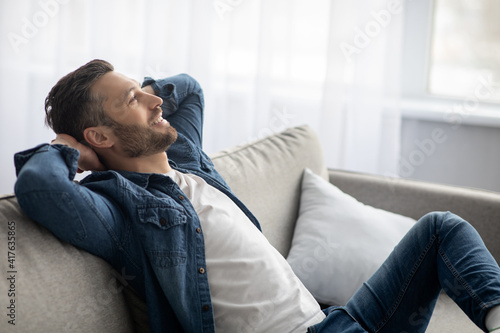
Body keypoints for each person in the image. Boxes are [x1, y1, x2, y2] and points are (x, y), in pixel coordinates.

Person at [14, 59, 500, 333]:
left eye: (144, 90)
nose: (155, 100)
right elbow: (40, 188)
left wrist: (140, 92)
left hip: (336, 321)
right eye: (133, 101)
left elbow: (189, 88)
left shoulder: (187, 163)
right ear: (100, 137)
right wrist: (66, 147)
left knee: (442, 228)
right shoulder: (122, 212)